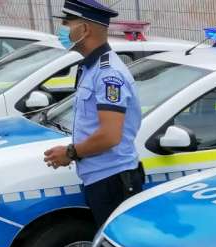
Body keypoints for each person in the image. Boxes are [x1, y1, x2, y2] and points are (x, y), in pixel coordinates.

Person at [43, 0, 143, 227]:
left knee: (115, 244)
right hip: (101, 178)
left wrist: (70, 152)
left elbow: (110, 136)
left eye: (67, 23)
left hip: (113, 181)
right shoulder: (92, 68)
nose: (62, 30)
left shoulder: (108, 74)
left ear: (85, 29)